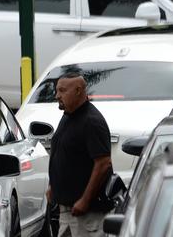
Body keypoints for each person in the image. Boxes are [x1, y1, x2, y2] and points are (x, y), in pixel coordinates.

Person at [47, 72, 112, 237]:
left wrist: (85, 200)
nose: (57, 95)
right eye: (57, 91)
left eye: (62, 91)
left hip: (87, 214)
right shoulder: (68, 116)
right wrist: (52, 186)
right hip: (67, 211)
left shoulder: (91, 121)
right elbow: (63, 154)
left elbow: (103, 163)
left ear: (78, 91)